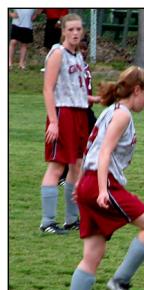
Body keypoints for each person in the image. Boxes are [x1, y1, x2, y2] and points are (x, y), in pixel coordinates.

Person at [60, 66, 144, 290]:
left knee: (93, 255)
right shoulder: (123, 115)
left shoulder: (110, 112)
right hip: (101, 183)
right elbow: (104, 152)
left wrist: (82, 183)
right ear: (137, 90)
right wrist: (102, 189)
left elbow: (91, 148)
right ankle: (120, 281)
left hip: (89, 183)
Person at [40, 14, 88, 234]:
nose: (75, 33)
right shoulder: (58, 53)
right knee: (57, 165)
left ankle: (71, 219)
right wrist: (53, 122)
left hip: (79, 114)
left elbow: (76, 89)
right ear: (63, 31)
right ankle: (47, 221)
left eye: (78, 29)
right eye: (71, 29)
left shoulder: (78, 55)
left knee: (77, 166)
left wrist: (98, 99)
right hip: (63, 114)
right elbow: (48, 89)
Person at [58, 34, 100, 187]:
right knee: (73, 145)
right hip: (76, 111)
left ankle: (89, 172)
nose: (82, 51)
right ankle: (63, 175)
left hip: (87, 111)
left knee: (97, 138)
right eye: (79, 48)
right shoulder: (70, 67)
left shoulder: (85, 66)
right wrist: (96, 98)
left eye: (85, 49)